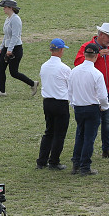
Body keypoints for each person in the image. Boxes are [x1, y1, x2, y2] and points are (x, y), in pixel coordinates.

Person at [75, 23, 109, 159]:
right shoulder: (87, 47)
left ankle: (106, 149)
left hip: (108, 91)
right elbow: (78, 64)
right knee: (91, 123)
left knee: (107, 121)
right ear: (101, 35)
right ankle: (85, 150)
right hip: (92, 93)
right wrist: (98, 55)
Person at [68, 43, 109, 175]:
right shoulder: (96, 74)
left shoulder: (74, 71)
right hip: (92, 108)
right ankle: (85, 166)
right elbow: (103, 95)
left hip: (78, 107)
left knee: (80, 135)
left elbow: (70, 91)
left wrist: (73, 104)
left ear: (85, 55)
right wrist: (104, 106)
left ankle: (76, 163)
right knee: (89, 138)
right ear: (96, 56)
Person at [36, 38, 72, 170]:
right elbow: (71, 86)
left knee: (49, 132)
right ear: (61, 50)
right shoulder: (65, 68)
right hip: (60, 103)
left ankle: (41, 160)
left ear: (51, 50)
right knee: (59, 134)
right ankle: (54, 161)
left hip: (47, 102)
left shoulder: (44, 66)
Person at [0, 0, 37, 97]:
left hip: (15, 48)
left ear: (10, 8)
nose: (3, 9)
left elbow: (15, 36)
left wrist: (10, 49)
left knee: (14, 72)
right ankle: (2, 91)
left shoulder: (16, 19)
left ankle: (32, 83)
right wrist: (2, 46)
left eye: (5, 7)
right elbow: (6, 35)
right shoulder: (8, 19)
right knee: (0, 68)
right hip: (7, 47)